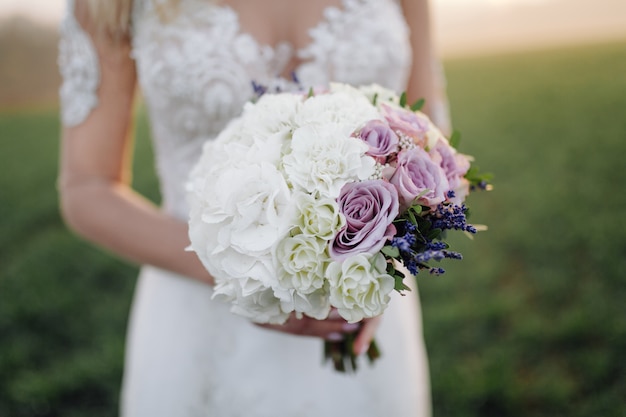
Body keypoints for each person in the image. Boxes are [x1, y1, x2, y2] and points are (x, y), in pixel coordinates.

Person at [57, 0, 450, 415]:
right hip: (199, 305)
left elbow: (431, 144)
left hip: (362, 301)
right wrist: (252, 276)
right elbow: (87, 186)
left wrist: (369, 254)